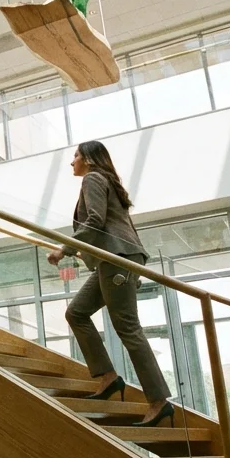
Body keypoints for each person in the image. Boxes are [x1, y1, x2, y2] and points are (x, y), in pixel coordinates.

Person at [45, 140, 173, 427]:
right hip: (112, 260)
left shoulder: (93, 178)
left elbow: (94, 221)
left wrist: (62, 249)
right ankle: (108, 377)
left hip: (118, 258)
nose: (72, 161)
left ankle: (157, 400)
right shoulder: (104, 180)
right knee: (75, 313)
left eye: (75, 155)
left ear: (88, 159)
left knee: (128, 328)